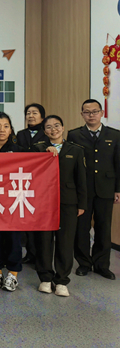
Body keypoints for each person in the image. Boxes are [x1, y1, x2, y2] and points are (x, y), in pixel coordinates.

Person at [32, 115, 87, 296]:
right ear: (44, 131)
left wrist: (82, 203)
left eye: (57, 126)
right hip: (43, 202)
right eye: (48, 127)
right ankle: (45, 278)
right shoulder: (38, 148)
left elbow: (81, 179)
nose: (53, 129)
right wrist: (45, 151)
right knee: (44, 241)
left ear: (63, 128)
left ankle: (62, 280)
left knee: (65, 241)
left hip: (68, 202)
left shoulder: (76, 150)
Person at [67, 99, 120, 280]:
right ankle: (84, 263)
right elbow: (71, 164)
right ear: (82, 114)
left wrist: (118, 189)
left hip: (106, 188)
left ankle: (101, 265)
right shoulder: (74, 135)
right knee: (81, 228)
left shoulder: (115, 135)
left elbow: (118, 163)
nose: (91, 115)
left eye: (95, 111)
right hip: (83, 190)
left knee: (103, 228)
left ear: (101, 113)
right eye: (87, 112)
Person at [0, 112, 23, 292]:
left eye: (6, 126)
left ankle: (13, 274)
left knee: (13, 237)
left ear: (11, 129)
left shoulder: (20, 149)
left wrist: (50, 151)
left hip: (13, 201)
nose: (2, 130)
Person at [16, 103, 47, 265]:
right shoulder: (20, 134)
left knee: (39, 218)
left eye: (35, 113)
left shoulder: (47, 133)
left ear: (42, 116)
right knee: (27, 218)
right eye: (28, 113)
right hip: (24, 179)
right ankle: (30, 253)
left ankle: (40, 255)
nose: (31, 116)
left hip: (41, 180)